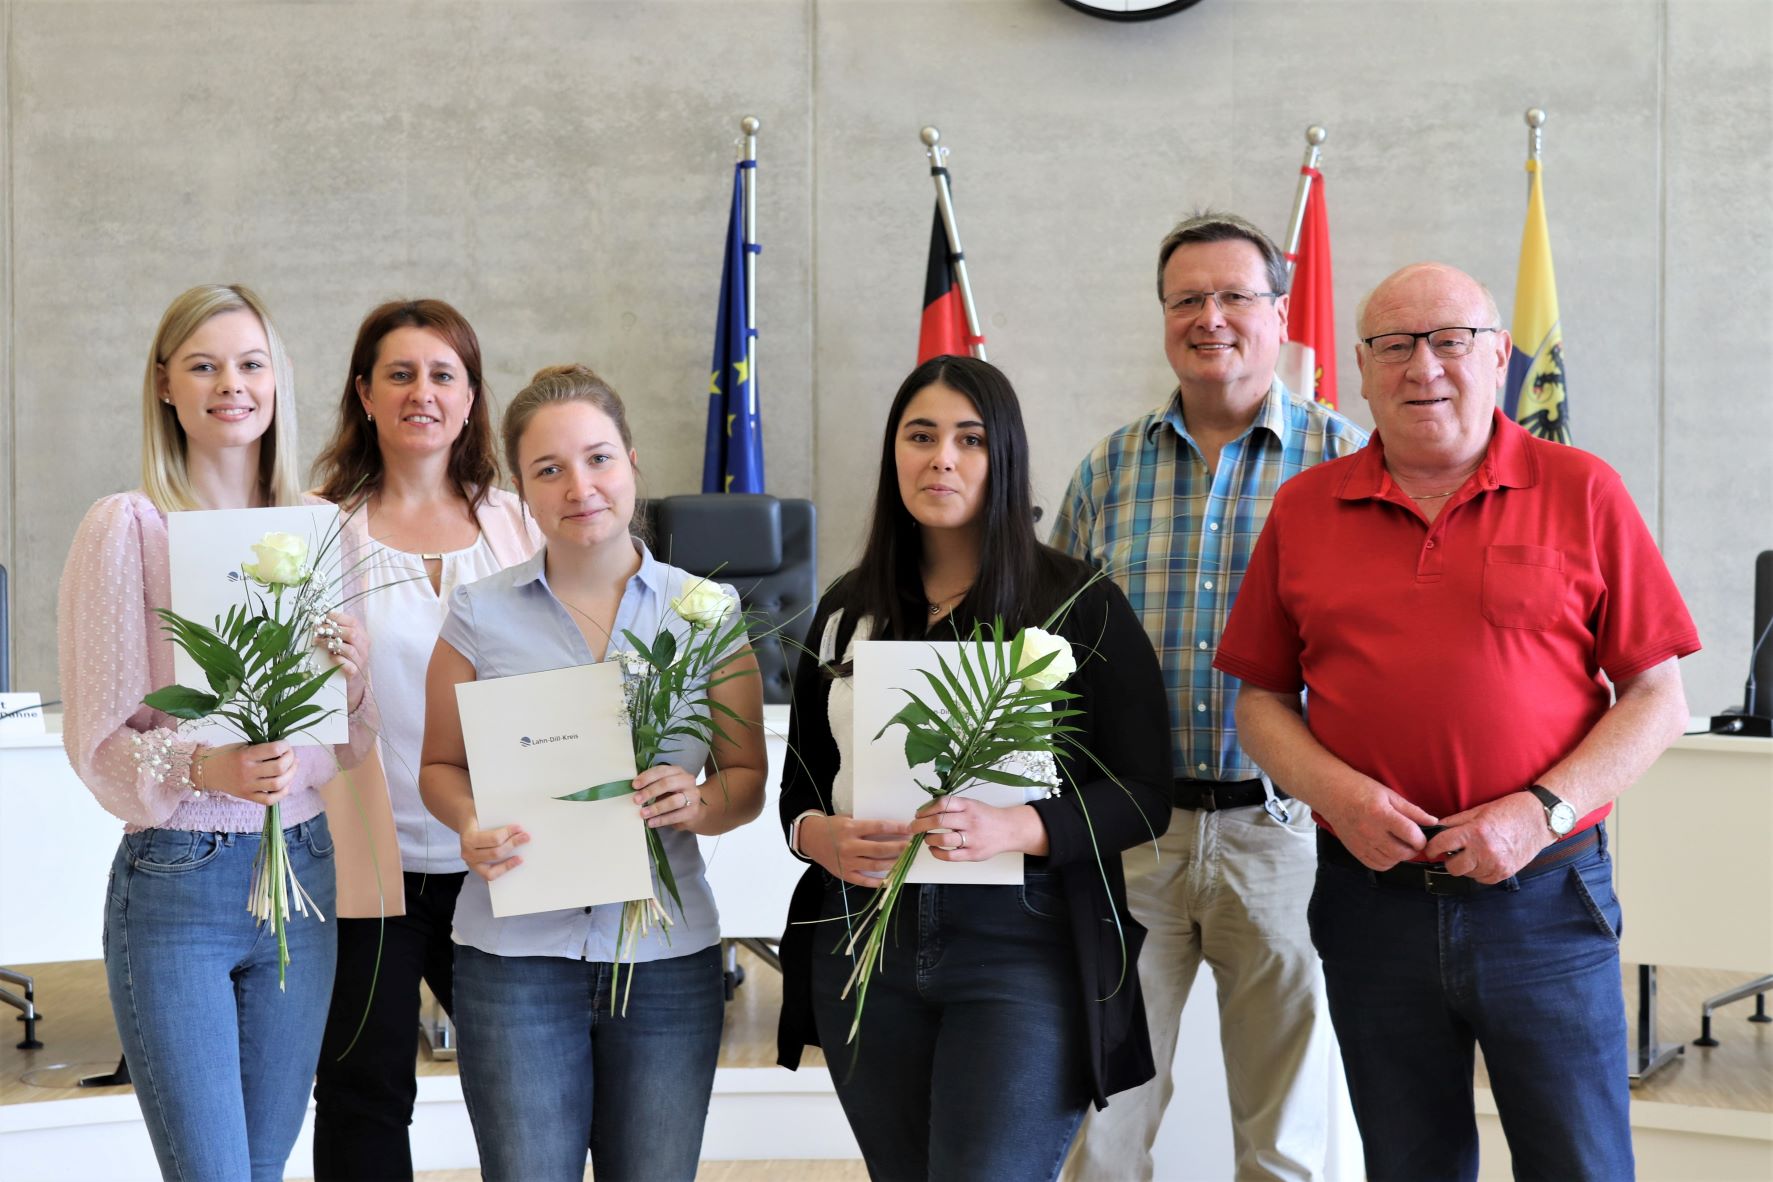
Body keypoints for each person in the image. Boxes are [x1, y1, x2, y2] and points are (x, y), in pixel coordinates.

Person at [1217, 262, 1698, 1181]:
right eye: (1392, 345)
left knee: (1581, 1165)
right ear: (1359, 368)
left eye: (1449, 341)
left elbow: (1655, 697)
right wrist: (1340, 796)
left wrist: (1541, 811)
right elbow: (1262, 705)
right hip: (1371, 904)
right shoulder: (1305, 509)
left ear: (1497, 356)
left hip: (1547, 905)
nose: (1420, 366)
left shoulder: (1581, 489)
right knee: (1407, 1165)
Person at [775, 354, 1174, 1182]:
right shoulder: (849, 608)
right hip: (860, 946)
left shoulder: (1077, 602)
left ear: (1005, 459)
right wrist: (821, 839)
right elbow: (799, 792)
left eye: (969, 439)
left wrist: (1018, 826)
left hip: (1022, 949)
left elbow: (1144, 795)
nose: (941, 459)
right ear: (894, 454)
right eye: (919, 436)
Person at [1051, 212, 1366, 1181]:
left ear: (1279, 315)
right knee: (1099, 1126)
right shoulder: (1109, 468)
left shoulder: (1346, 463)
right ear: (1163, 318)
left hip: (1284, 839)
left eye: (1236, 296)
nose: (1210, 317)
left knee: (1286, 1137)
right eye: (1187, 298)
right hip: (1129, 839)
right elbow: (1054, 652)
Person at [418, 363, 768, 1182]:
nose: (580, 486)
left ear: (633, 462)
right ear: (519, 490)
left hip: (667, 963)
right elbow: (439, 766)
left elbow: (745, 776)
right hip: (513, 964)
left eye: (598, 458)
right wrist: (468, 823)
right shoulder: (479, 614)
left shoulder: (705, 612)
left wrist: (700, 800)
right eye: (549, 469)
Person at [58, 284, 374, 1181]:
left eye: (249, 363)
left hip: (301, 874)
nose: (229, 384)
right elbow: (99, 741)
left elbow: (354, 732)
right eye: (203, 365)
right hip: (176, 887)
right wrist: (211, 765)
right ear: (165, 384)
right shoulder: (129, 527)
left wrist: (350, 676)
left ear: (276, 380)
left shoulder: (324, 529)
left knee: (265, 1169)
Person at [308, 299, 541, 1181]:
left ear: (473, 398)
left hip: (504, 857)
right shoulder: (318, 530)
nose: (422, 393)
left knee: (523, 1088)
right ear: (363, 394)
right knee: (364, 1092)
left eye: (444, 374)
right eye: (399, 374)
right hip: (367, 860)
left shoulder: (520, 524)